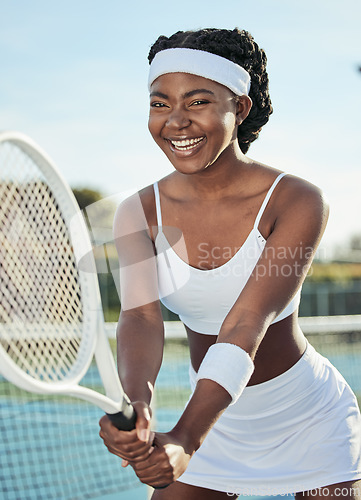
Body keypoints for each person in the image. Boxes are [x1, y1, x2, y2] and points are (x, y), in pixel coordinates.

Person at [99, 28, 361, 499]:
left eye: (197, 101)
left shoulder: (298, 200)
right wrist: (139, 402)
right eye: (160, 104)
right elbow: (140, 317)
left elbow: (245, 323)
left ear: (239, 108)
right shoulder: (137, 212)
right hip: (214, 416)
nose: (175, 122)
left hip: (307, 418)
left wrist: (186, 438)